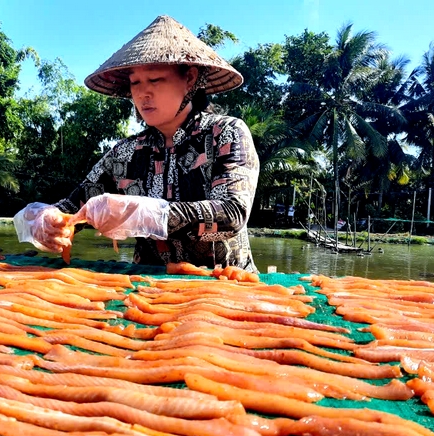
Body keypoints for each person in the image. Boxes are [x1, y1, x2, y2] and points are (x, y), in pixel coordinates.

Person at [14, 15, 260, 271]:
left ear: (189, 79)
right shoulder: (126, 153)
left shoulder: (226, 133)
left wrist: (148, 213)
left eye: (154, 80)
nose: (143, 93)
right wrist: (46, 219)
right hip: (146, 285)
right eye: (135, 83)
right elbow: (76, 205)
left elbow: (232, 214)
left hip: (224, 285)